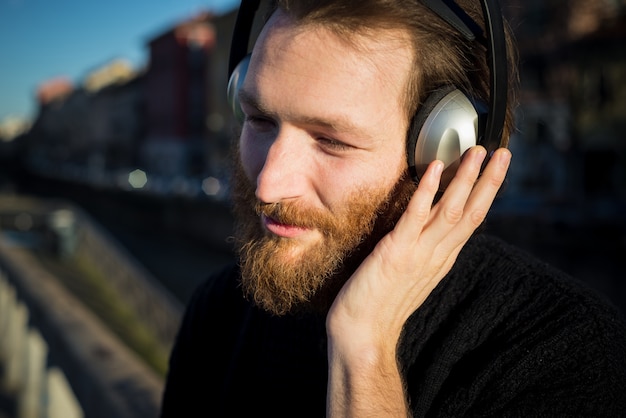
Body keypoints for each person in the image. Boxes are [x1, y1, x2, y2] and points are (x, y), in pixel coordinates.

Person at [160, 0, 626, 416]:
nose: (267, 184)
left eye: (330, 141)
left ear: (445, 148)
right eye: (259, 119)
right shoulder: (220, 310)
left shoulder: (565, 351)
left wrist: (363, 352)